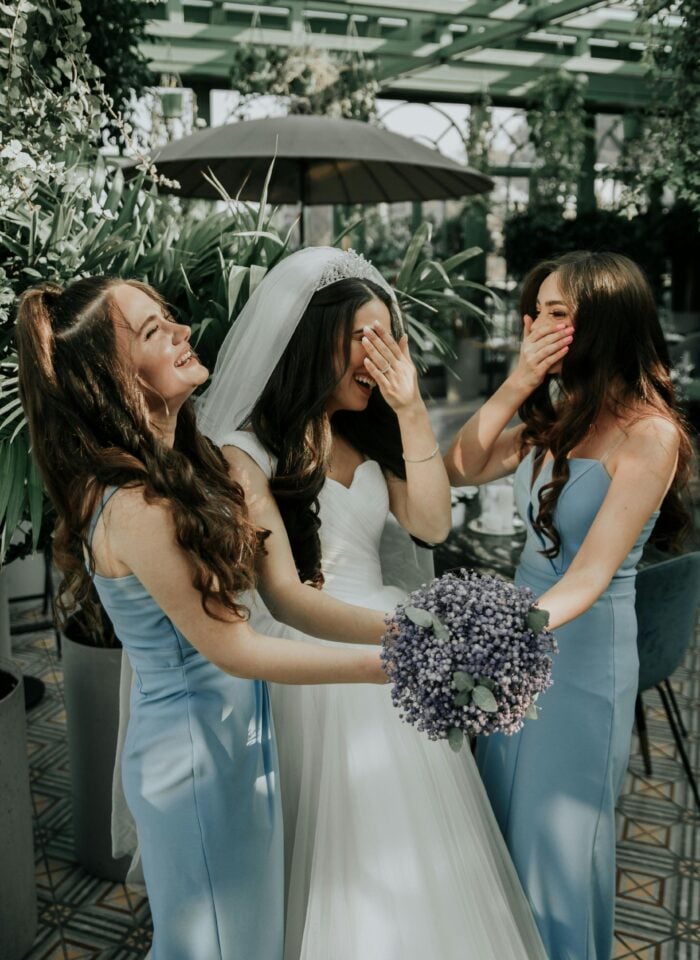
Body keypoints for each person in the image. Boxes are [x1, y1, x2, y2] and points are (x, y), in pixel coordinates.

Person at [15, 277, 389, 960]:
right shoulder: (134, 504)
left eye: (171, 317)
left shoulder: (193, 465)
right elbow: (237, 648)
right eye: (155, 331)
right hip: (193, 760)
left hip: (241, 741)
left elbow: (284, 597)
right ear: (112, 376)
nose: (184, 331)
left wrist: (411, 631)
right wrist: (393, 667)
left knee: (247, 942)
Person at [197, 246, 550, 960]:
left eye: (387, 333)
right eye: (362, 334)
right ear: (311, 338)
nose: (379, 350)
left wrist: (411, 408)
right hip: (317, 660)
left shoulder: (367, 433)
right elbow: (288, 599)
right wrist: (416, 634)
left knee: (419, 844)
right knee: (340, 858)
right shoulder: (246, 450)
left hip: (390, 641)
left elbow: (430, 523)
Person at [444, 251, 693, 960]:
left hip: (579, 655)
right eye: (536, 313)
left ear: (604, 322)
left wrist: (494, 640)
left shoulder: (651, 434)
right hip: (520, 636)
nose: (537, 327)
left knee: (558, 844)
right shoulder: (557, 419)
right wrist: (517, 381)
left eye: (557, 315)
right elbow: (460, 465)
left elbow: (588, 578)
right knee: (502, 820)